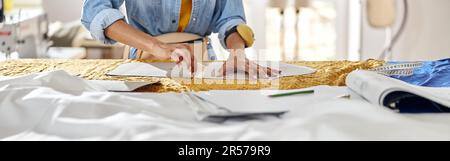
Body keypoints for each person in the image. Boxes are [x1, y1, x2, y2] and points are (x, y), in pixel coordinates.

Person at [81, 0, 279, 78]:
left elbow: (230, 19)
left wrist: (238, 53)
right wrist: (156, 46)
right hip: (146, 64)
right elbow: (95, 12)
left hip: (203, 67)